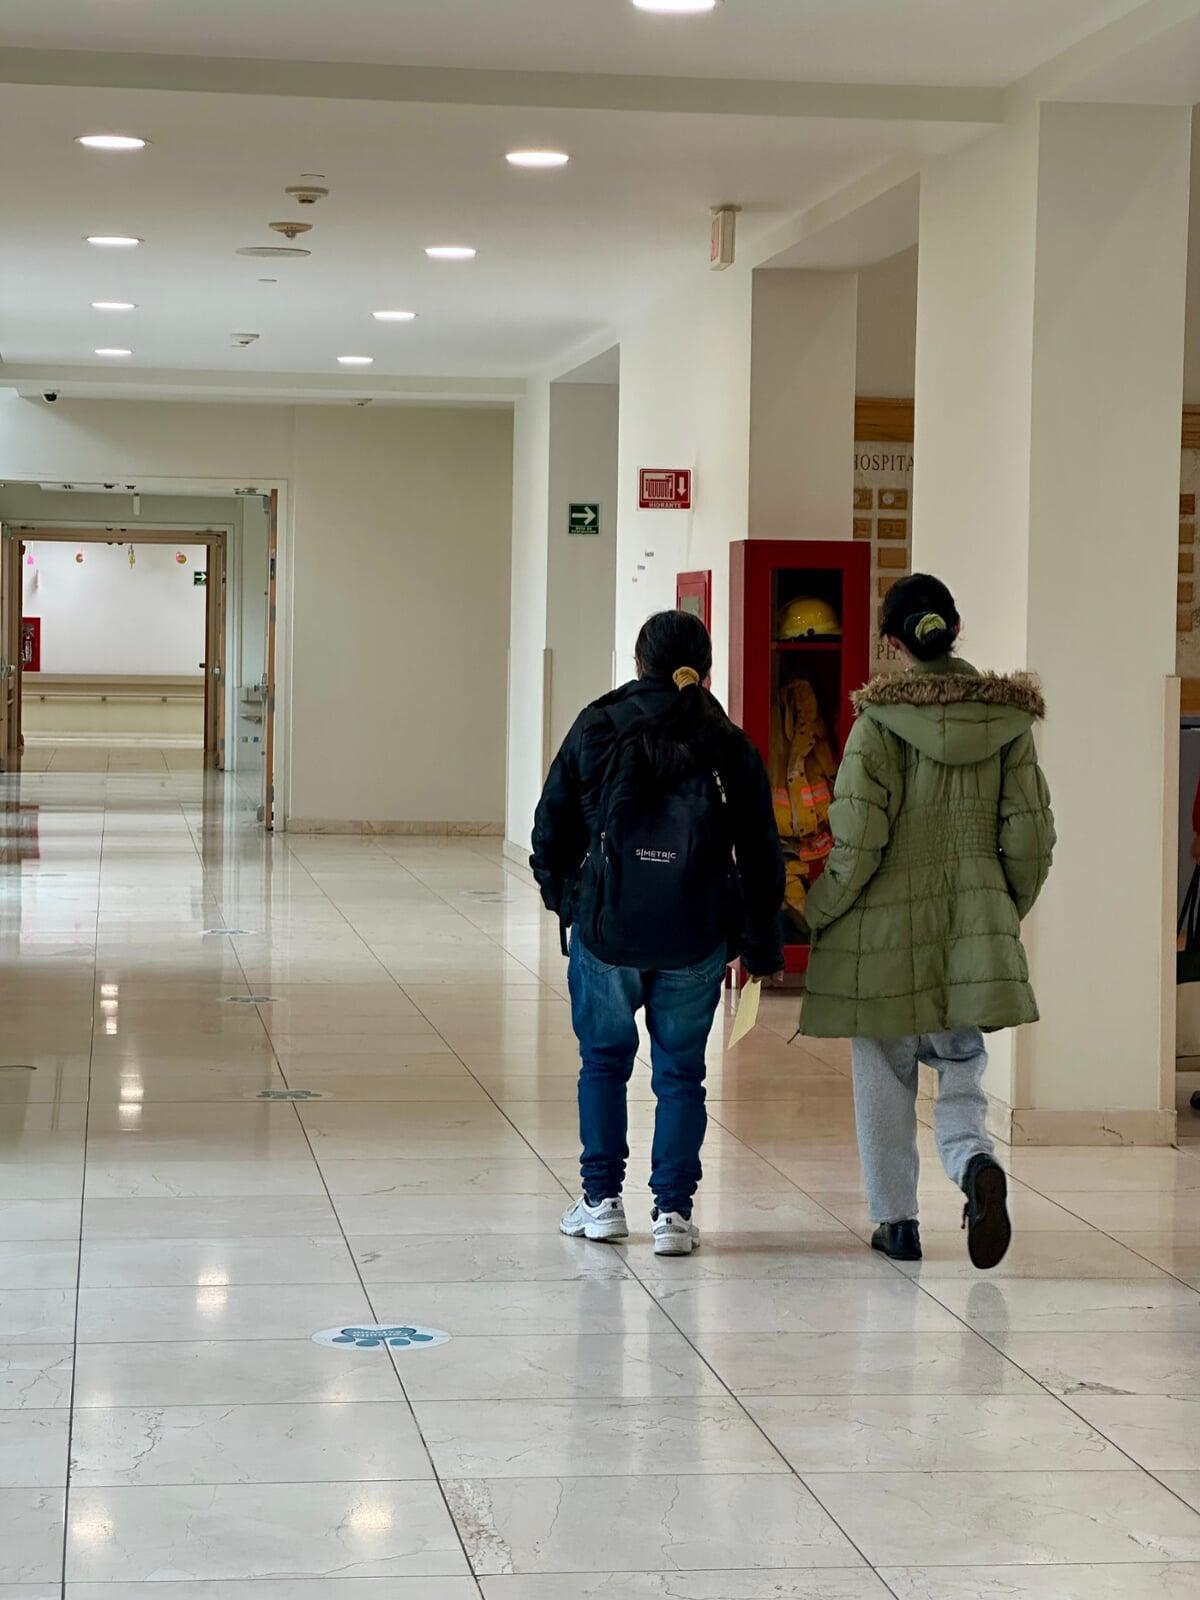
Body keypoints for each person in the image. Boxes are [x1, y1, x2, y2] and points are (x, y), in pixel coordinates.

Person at [800, 574, 1054, 1269]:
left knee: (884, 1070)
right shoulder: (1007, 725)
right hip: (968, 930)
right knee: (963, 1061)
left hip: (882, 941)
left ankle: (897, 1223)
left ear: (890, 644)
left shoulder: (876, 726)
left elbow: (857, 848)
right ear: (955, 627)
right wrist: (995, 912)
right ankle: (974, 1166)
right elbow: (1031, 840)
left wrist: (814, 912)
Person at [532, 610, 784, 1256]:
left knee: (604, 1063)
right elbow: (760, 851)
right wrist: (758, 944)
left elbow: (549, 831)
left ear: (639, 663)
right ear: (704, 668)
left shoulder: (599, 724)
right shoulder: (727, 742)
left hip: (606, 935)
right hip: (696, 937)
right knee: (680, 1075)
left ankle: (601, 1202)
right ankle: (673, 1214)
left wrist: (574, 903)